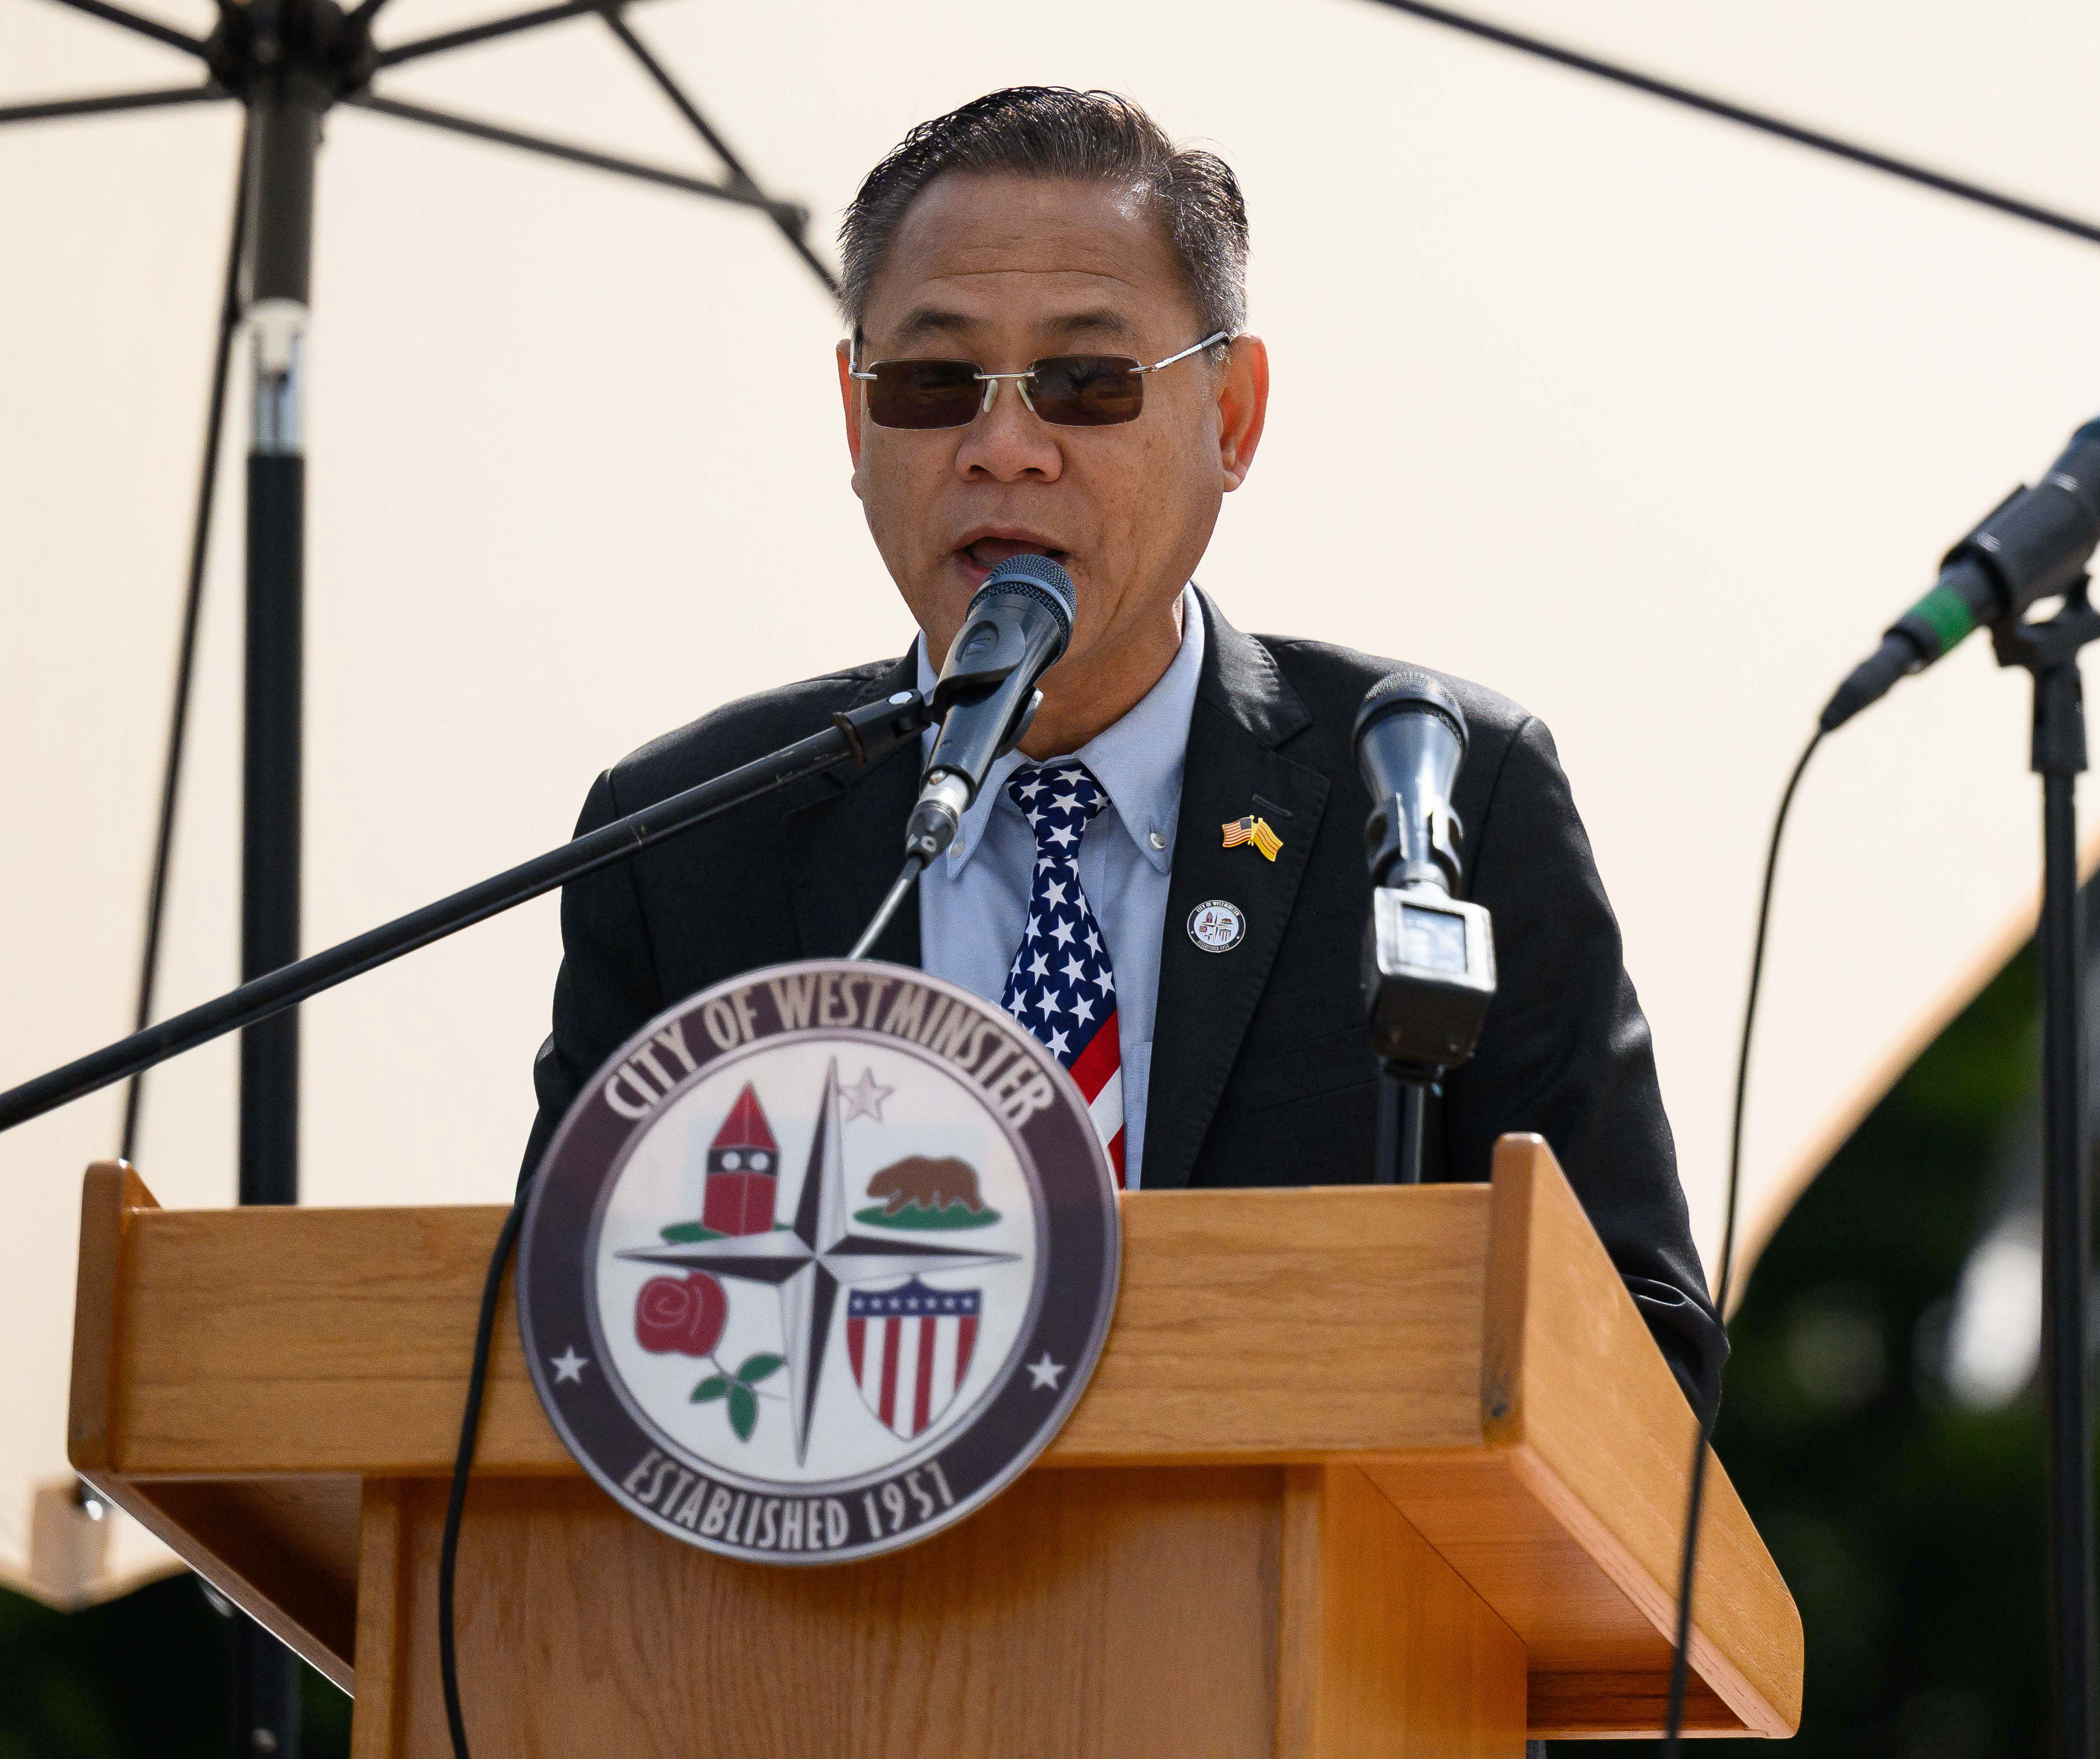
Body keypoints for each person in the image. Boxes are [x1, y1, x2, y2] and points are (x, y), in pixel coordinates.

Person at [522, 85, 1719, 1407]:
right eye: (932, 382)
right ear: (857, 421)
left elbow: (1644, 1357)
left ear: (1231, 416)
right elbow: (563, 1356)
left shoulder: (1437, 795)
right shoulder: (690, 837)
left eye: (1084, 382)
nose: (1004, 448)